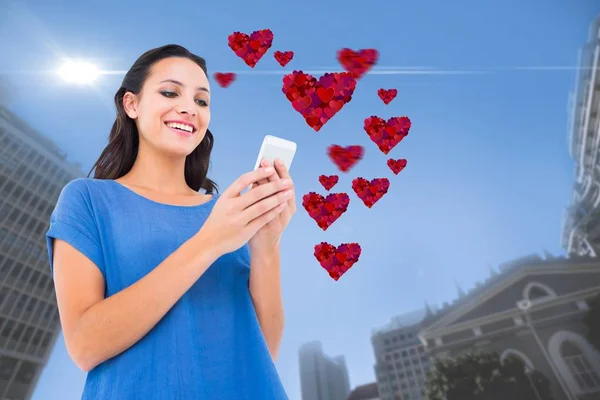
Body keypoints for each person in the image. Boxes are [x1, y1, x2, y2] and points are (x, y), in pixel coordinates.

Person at [45, 44, 295, 399]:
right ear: (131, 104)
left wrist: (266, 246)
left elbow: (262, 355)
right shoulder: (87, 200)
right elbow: (85, 344)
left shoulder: (229, 216)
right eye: (169, 92)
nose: (188, 108)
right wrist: (208, 243)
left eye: (202, 101)